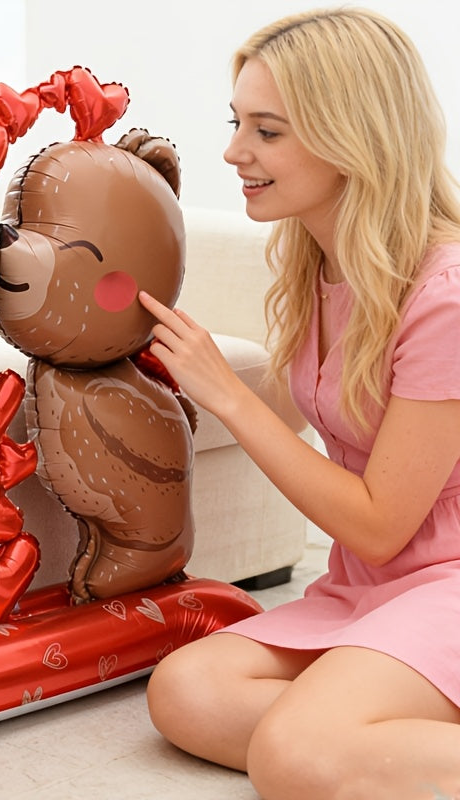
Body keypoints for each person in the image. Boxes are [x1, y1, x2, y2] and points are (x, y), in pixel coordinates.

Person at [139, 8, 460, 800]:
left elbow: (380, 524)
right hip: (371, 588)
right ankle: (368, 732)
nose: (233, 151)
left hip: (447, 583)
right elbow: (306, 409)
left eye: (268, 131)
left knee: (296, 755)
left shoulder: (445, 296)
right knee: (187, 693)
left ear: (353, 138)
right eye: (238, 122)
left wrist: (228, 395)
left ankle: (341, 734)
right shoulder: (318, 264)